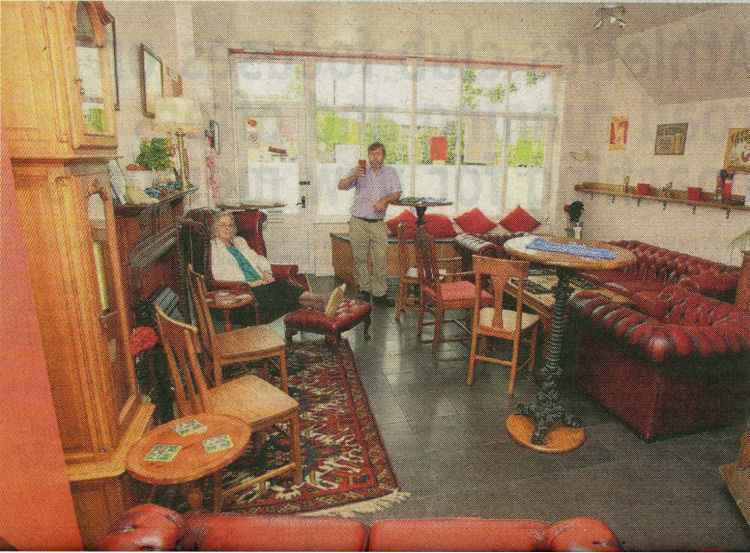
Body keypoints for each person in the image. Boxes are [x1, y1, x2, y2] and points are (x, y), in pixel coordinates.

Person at [211, 212, 345, 319]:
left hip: (260, 282)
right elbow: (220, 274)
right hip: (245, 289)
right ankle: (322, 299)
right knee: (279, 287)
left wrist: (266, 273)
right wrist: (251, 283)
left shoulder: (239, 242)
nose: (227, 228)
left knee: (282, 284)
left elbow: (258, 259)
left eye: (230, 225)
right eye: (223, 225)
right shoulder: (214, 248)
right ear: (215, 228)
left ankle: (322, 305)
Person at [338, 142, 402, 306]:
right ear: (368, 156)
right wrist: (354, 176)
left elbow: (397, 193)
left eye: (378, 154)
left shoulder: (390, 172)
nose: (374, 158)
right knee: (359, 258)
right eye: (372, 154)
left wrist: (384, 200)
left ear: (384, 156)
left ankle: (380, 294)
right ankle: (364, 290)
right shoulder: (359, 170)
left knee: (380, 259)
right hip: (358, 221)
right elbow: (341, 186)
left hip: (378, 223)